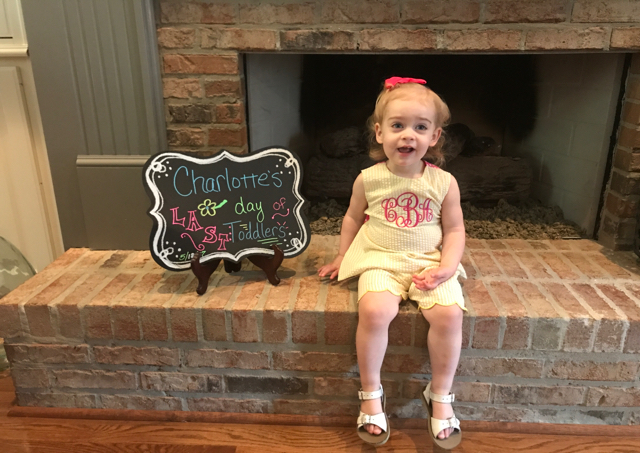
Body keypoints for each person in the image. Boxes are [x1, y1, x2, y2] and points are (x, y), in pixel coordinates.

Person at [318, 76, 466, 450]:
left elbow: (455, 229)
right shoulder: (368, 179)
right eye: (398, 125)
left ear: (435, 136)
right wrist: (343, 256)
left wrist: (447, 267)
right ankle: (371, 392)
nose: (408, 135)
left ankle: (440, 394)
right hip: (379, 260)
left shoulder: (444, 182)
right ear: (379, 132)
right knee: (374, 310)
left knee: (449, 315)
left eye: (420, 127)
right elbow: (352, 218)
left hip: (429, 263)